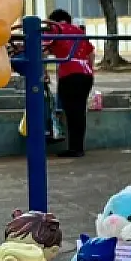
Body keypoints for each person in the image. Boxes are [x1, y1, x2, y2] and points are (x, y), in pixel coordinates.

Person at [46, 9, 95, 158]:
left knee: (71, 112)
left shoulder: (54, 29)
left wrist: (43, 71)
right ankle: (78, 147)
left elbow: (41, 50)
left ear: (53, 20)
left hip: (69, 73)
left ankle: (74, 148)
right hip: (86, 73)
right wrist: (89, 69)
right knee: (79, 111)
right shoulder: (78, 31)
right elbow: (91, 53)